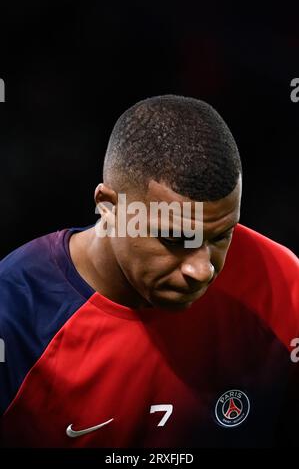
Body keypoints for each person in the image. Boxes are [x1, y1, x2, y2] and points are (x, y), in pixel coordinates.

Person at [0, 95, 298, 448]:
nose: (202, 269)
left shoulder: (282, 285)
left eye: (221, 235)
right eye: (175, 239)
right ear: (109, 208)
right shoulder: (14, 315)